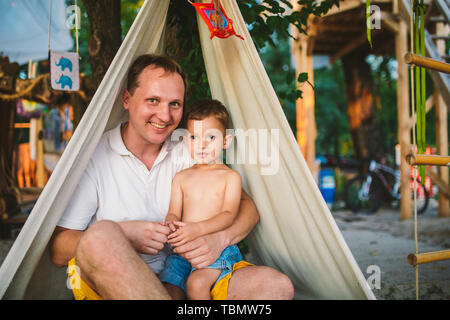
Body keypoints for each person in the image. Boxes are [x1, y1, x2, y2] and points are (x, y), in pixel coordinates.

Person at [49, 54, 294, 300]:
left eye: (174, 104)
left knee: (276, 287)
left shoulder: (189, 148)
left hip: (186, 276)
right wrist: (125, 234)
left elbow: (248, 208)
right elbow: (59, 249)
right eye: (153, 100)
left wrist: (219, 240)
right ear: (126, 99)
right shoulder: (94, 156)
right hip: (118, 287)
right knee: (101, 236)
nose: (165, 116)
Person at [160, 99, 252, 300]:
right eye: (194, 137)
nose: (201, 145)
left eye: (211, 137)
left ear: (226, 141)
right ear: (186, 140)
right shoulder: (182, 177)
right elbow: (174, 211)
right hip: (181, 253)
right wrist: (171, 223)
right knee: (168, 291)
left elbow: (229, 215)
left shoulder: (230, 177)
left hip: (217, 253)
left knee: (197, 283)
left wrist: (198, 229)